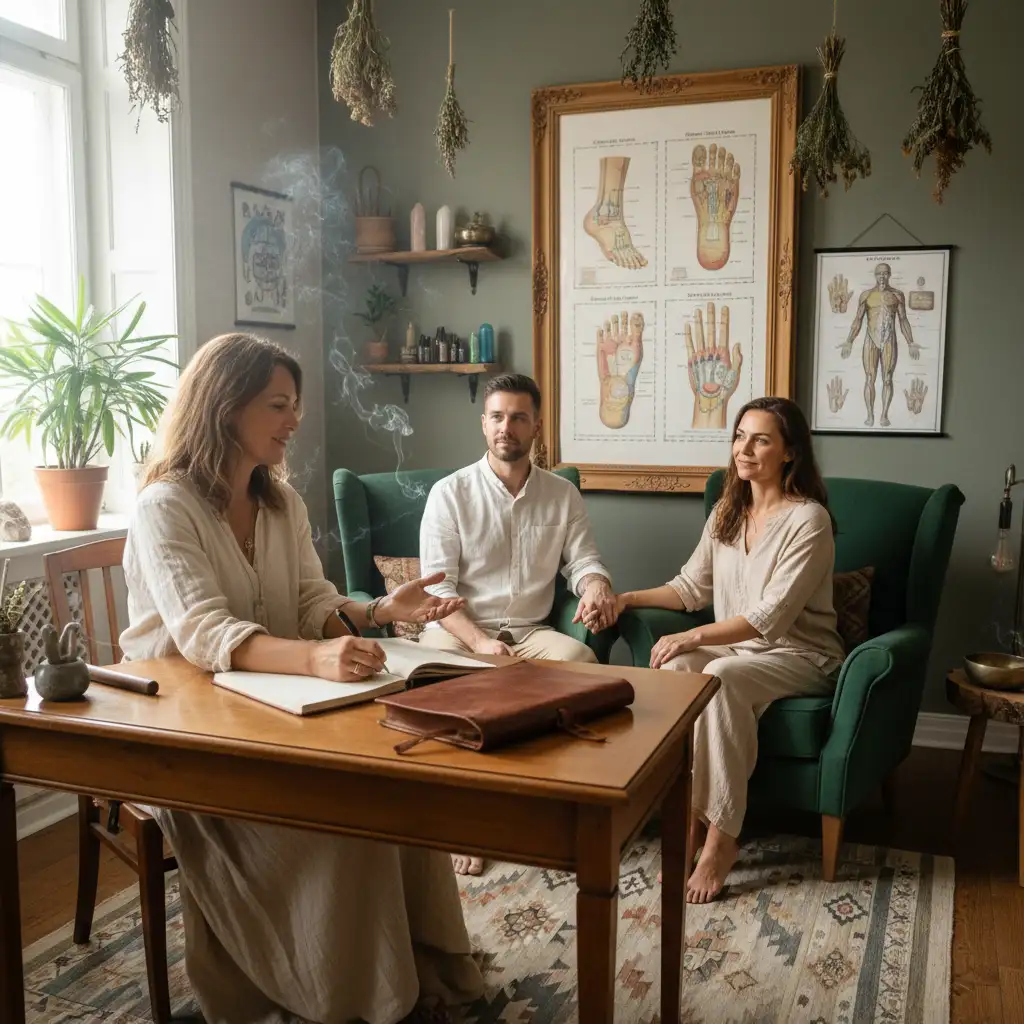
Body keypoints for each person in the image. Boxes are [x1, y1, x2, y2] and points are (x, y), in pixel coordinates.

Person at [119, 332, 484, 1024]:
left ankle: (415, 965)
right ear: (226, 407)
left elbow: (315, 603)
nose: (295, 420)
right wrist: (316, 658)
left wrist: (376, 610)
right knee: (346, 815)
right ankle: (347, 996)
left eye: (296, 406)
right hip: (186, 733)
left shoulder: (282, 503)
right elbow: (205, 635)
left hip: (276, 708)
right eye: (279, 405)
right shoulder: (165, 507)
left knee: (400, 791)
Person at [614, 397, 845, 904]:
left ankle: (721, 838)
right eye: (740, 436)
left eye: (761, 439)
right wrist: (625, 597)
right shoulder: (727, 510)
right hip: (738, 653)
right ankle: (686, 820)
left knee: (716, 674)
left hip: (801, 656)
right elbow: (689, 589)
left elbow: (771, 619)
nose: (745, 449)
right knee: (675, 667)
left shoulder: (809, 521)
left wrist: (695, 635)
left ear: (789, 452)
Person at [418, 373, 619, 875]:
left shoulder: (562, 494)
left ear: (536, 426)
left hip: (531, 634)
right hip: (457, 632)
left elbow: (584, 560)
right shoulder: (450, 493)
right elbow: (438, 591)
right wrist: (482, 642)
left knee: (585, 668)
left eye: (518, 417)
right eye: (497, 417)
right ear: (483, 423)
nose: (506, 427)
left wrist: (595, 586)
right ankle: (471, 821)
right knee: (460, 692)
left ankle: (555, 807)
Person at [841, 262, 920, 428]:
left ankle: (884, 415)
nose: (882, 277)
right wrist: (849, 341)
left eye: (885, 273)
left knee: (887, 378)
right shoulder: (866, 295)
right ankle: (870, 415)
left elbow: (903, 320)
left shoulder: (897, 295)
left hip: (889, 339)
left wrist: (911, 342)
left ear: (889, 275)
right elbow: (858, 320)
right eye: (879, 274)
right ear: (875, 276)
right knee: (869, 378)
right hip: (871, 339)